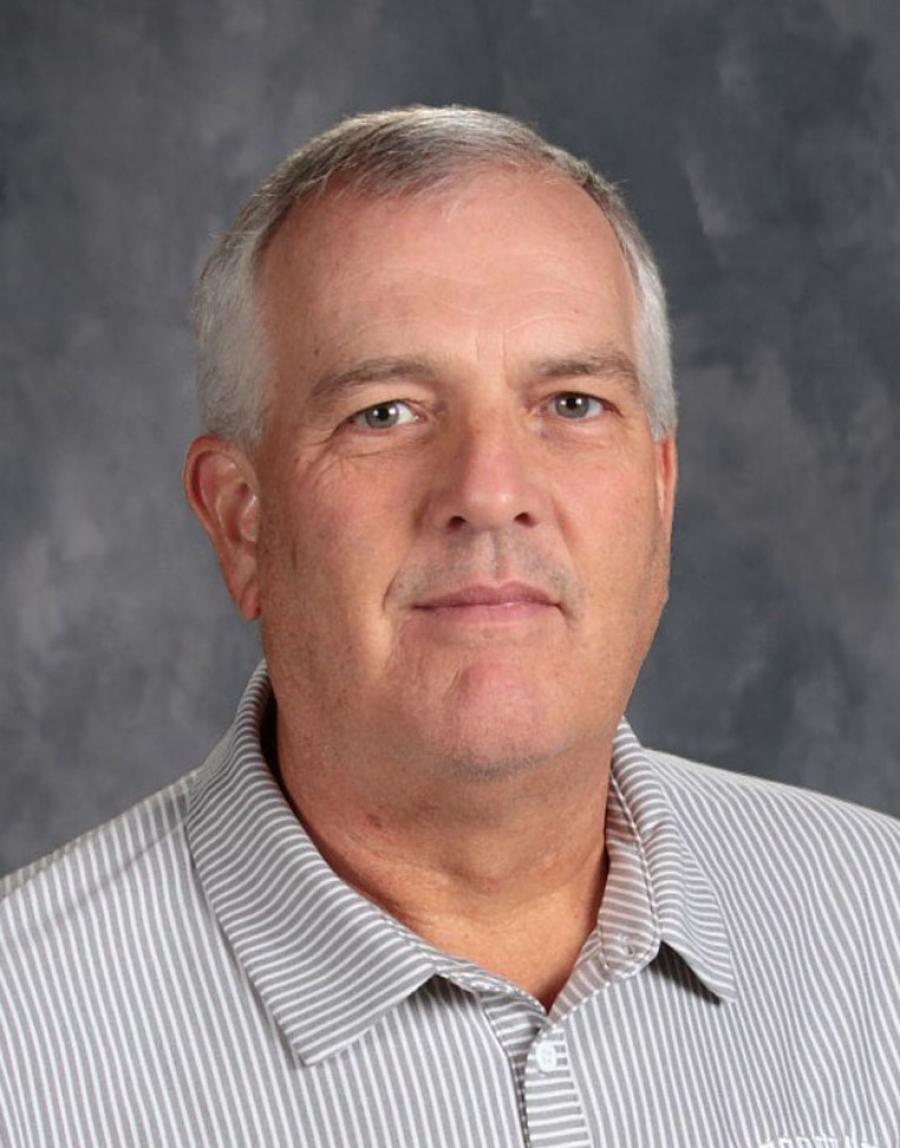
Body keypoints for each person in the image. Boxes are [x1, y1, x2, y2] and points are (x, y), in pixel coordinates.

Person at [1, 107, 898, 1148]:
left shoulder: (878, 929)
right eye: (384, 412)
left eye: (572, 402)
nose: (490, 491)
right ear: (243, 521)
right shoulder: (26, 1046)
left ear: (660, 490)